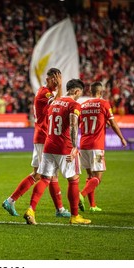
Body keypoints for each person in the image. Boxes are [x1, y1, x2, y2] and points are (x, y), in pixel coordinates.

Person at [2, 68, 71, 218]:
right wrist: (60, 87)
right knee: (49, 175)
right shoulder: (45, 93)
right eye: (57, 80)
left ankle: (10, 201)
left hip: (41, 136)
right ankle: (59, 209)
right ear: (52, 79)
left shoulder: (44, 92)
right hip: (44, 137)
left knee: (38, 174)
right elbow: (58, 104)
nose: (58, 83)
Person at [23, 79, 91, 225]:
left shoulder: (54, 102)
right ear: (77, 91)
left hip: (49, 146)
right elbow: (73, 125)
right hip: (64, 147)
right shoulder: (74, 105)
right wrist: (74, 146)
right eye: (80, 93)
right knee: (73, 179)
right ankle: (75, 216)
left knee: (45, 179)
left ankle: (31, 209)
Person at [78, 82, 127, 212]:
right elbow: (113, 123)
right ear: (101, 92)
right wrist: (121, 137)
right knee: (97, 178)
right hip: (96, 145)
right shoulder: (104, 104)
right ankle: (80, 195)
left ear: (91, 92)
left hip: (83, 144)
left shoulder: (83, 105)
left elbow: (79, 122)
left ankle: (92, 206)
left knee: (90, 176)